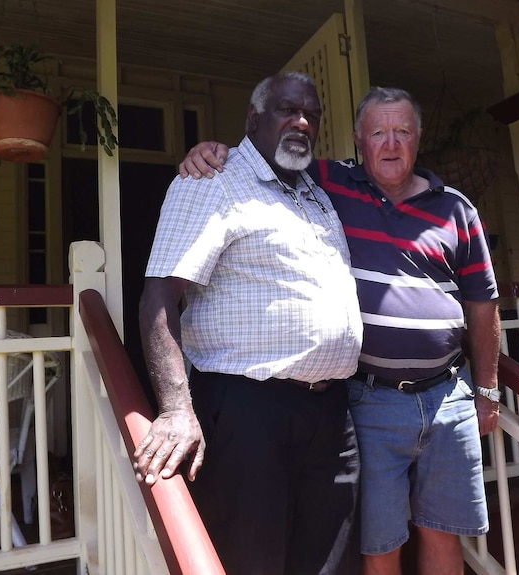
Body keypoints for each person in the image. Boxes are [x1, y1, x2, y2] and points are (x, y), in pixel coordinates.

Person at [179, 86, 501, 575]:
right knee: (379, 540)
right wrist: (213, 150)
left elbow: (482, 304)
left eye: (402, 132)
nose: (390, 144)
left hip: (448, 396)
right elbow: (269, 153)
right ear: (358, 140)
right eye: (378, 133)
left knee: (444, 531)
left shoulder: (457, 208)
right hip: (370, 399)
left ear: (418, 139)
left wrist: (487, 390)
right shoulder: (328, 184)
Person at [134, 71, 364, 575]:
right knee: (250, 561)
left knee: (331, 564)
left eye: (312, 113)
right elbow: (160, 295)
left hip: (331, 418)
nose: (302, 121)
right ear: (254, 118)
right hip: (250, 412)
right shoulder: (211, 181)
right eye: (287, 109)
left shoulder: (316, 193)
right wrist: (175, 408)